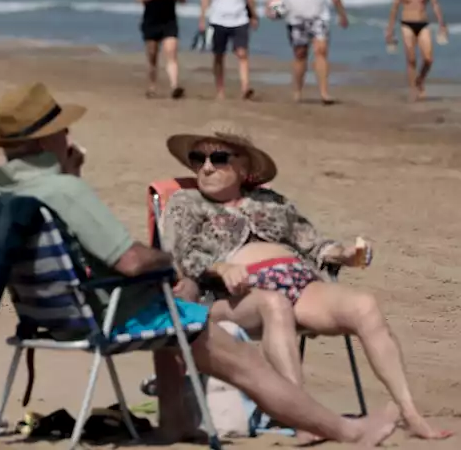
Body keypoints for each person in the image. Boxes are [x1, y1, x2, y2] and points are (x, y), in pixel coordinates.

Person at [0, 82, 398, 445]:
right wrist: (162, 260)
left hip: (46, 316)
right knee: (238, 358)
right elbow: (133, 259)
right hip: (104, 315)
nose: (68, 136)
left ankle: (175, 423)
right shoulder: (64, 191)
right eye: (61, 130)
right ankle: (345, 431)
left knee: (168, 309)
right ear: (46, 141)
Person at [161, 123, 449, 440]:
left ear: (243, 166)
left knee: (364, 306)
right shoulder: (185, 204)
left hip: (299, 284)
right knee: (275, 304)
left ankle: (410, 414)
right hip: (228, 298)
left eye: (218, 157)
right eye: (197, 158)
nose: (206, 166)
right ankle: (302, 420)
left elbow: (312, 244)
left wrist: (344, 253)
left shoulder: (270, 201)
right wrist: (219, 267)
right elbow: (176, 256)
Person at [266, 0, 349, 105]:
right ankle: (297, 91)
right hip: (295, 18)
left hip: (319, 17)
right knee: (300, 55)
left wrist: (342, 14)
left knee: (321, 51)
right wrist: (271, 8)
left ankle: (324, 93)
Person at [386, 0, 447, 102]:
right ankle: (414, 89)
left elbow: (435, 4)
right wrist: (390, 30)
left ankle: (420, 79)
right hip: (407, 24)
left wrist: (441, 24)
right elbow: (394, 9)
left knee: (428, 59)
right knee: (411, 59)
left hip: (423, 24)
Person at [199, 0, 257, 100]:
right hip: (218, 20)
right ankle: (220, 89)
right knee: (219, 56)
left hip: (240, 19)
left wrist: (254, 16)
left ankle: (245, 88)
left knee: (242, 53)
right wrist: (203, 18)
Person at [133, 0, 186, 99]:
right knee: (152, 55)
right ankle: (152, 85)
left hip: (169, 20)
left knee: (171, 53)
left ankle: (175, 86)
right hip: (151, 20)